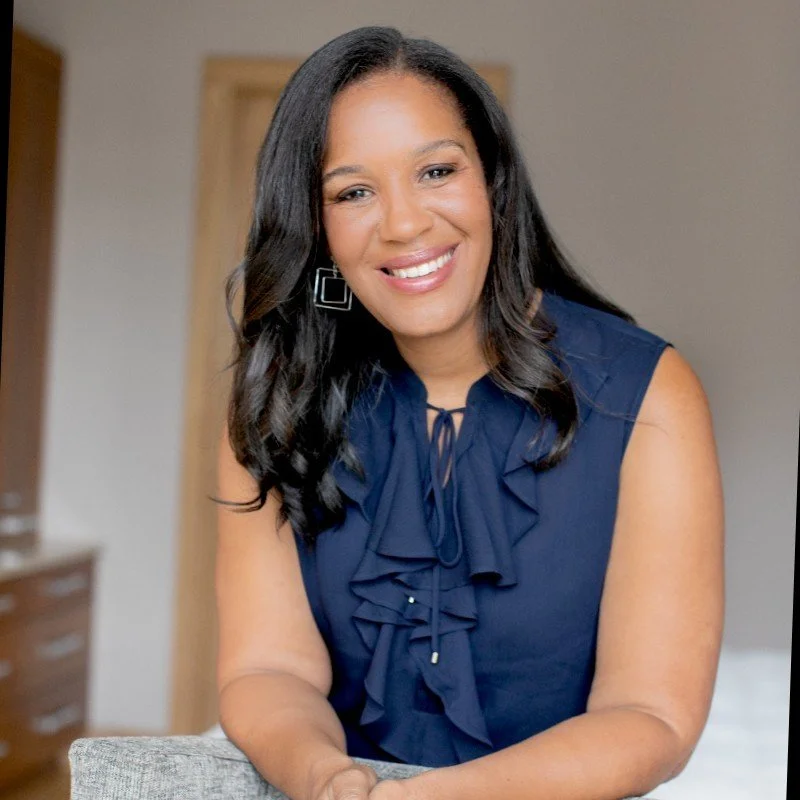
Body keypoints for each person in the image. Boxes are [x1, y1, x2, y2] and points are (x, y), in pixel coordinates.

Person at [214, 26, 724, 800]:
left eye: (436, 171)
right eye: (353, 191)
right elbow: (267, 667)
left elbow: (650, 713)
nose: (404, 223)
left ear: (493, 183)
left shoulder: (648, 391)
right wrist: (327, 780)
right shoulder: (280, 398)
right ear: (318, 232)